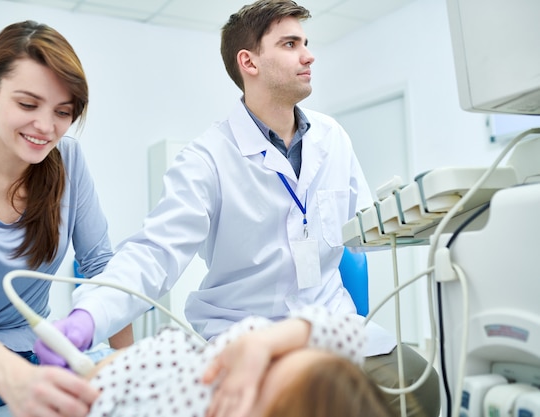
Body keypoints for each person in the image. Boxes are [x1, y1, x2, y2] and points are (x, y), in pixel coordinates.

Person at [37, 1, 440, 416]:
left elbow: (367, 226)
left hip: (328, 327)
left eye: (305, 42)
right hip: (244, 336)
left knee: (422, 390)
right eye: (290, 44)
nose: (309, 54)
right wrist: (88, 314)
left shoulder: (332, 138)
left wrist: (430, 211)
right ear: (248, 62)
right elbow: (154, 253)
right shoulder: (207, 159)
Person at [0, 20, 131, 417]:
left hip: (12, 338)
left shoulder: (69, 160)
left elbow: (102, 267)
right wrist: (17, 381)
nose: (46, 128)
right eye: (28, 105)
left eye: (62, 112)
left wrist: (131, 369)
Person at [84, 305, 393, 417]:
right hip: (103, 358)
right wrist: (266, 343)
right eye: (276, 358)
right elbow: (350, 332)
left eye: (257, 386)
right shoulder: (254, 345)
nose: (250, 369)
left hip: (73, 388)